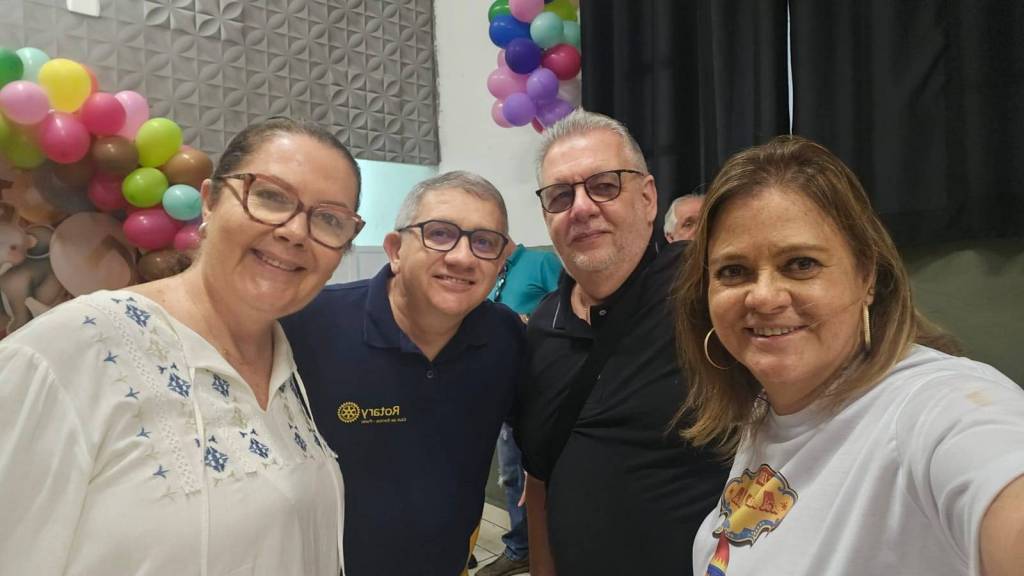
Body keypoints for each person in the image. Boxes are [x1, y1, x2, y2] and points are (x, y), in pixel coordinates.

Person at [0, 117, 363, 575]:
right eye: (271, 196)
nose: (295, 231)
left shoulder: (287, 366)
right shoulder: (72, 350)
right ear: (209, 202)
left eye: (329, 219)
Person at [676, 135, 1024, 576]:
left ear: (867, 276)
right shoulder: (768, 414)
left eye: (801, 264)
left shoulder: (935, 406)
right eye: (734, 271)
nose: (763, 296)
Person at [516, 109, 730, 576]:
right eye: (560, 195)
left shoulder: (706, 289)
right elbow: (538, 483)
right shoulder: (542, 329)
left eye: (604, 185)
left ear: (648, 198)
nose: (581, 207)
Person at [281, 171, 524, 576]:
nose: (463, 257)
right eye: (440, 234)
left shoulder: (505, 336)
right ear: (394, 249)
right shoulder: (308, 324)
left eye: (484, 242)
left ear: (500, 263)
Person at [477, 244, 562, 576]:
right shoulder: (493, 271)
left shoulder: (541, 261)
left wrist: (529, 322)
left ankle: (532, 550)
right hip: (501, 390)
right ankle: (519, 547)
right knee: (511, 474)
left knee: (537, 477)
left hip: (537, 391)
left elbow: (570, 310)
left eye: (484, 240)